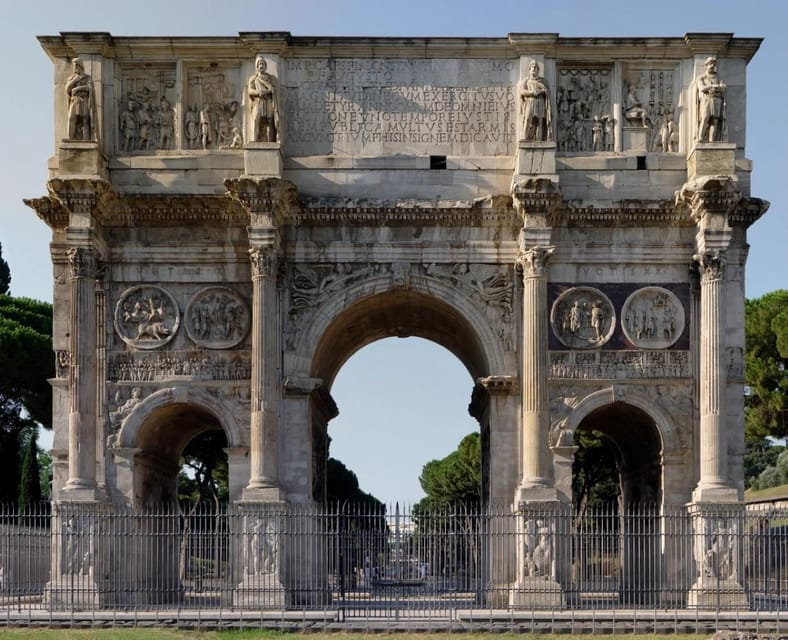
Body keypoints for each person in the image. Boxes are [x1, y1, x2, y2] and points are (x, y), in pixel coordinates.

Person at [247, 55, 279, 143]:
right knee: (256, 119)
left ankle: (271, 141)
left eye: (263, 63)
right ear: (257, 67)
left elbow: (274, 89)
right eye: (259, 63)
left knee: (270, 121)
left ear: (265, 66)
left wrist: (269, 91)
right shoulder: (253, 78)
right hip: (258, 101)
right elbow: (250, 90)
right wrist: (258, 93)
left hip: (268, 101)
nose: (261, 65)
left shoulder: (271, 78)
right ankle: (254, 139)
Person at [519, 60, 552, 142]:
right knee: (527, 118)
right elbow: (522, 91)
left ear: (538, 70)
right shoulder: (526, 80)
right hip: (530, 102)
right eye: (532, 67)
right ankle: (524, 136)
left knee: (540, 121)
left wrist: (541, 91)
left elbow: (547, 91)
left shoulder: (542, 81)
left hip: (540, 102)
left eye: (535, 67)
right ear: (529, 69)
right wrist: (531, 93)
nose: (534, 69)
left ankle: (539, 139)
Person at [697, 56, 726, 142]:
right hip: (707, 100)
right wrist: (713, 86)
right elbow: (702, 88)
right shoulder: (702, 77)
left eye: (714, 64)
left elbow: (723, 87)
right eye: (710, 64)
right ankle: (700, 138)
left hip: (717, 100)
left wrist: (718, 87)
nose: (712, 65)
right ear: (706, 65)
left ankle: (712, 141)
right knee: (705, 118)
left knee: (715, 121)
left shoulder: (718, 77)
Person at [65, 58, 93, 140]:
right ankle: (70, 138)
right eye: (73, 66)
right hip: (75, 100)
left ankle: (86, 139)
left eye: (75, 66)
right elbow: (67, 89)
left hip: (84, 100)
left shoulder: (87, 77)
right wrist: (75, 80)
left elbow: (89, 88)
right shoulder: (72, 78)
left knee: (85, 119)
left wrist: (78, 88)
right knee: (71, 118)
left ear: (79, 66)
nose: (74, 69)